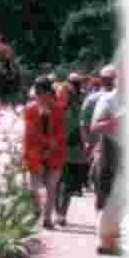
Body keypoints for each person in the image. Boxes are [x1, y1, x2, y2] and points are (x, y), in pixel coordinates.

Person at [90, 52, 125, 255]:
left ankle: (111, 237)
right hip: (112, 151)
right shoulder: (108, 100)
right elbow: (94, 126)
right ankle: (106, 241)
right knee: (109, 195)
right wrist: (114, 122)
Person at [22, 75, 67, 229]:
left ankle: (47, 219)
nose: (41, 97)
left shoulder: (58, 109)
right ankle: (36, 212)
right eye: (38, 93)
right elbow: (30, 131)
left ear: (49, 93)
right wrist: (47, 143)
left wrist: (54, 143)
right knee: (34, 187)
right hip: (35, 153)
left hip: (55, 154)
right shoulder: (30, 108)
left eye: (43, 93)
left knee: (51, 187)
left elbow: (61, 131)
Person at [54, 72, 89, 225]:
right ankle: (60, 213)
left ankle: (60, 213)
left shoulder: (76, 102)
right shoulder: (78, 102)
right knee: (64, 182)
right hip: (70, 147)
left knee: (61, 181)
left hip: (67, 147)